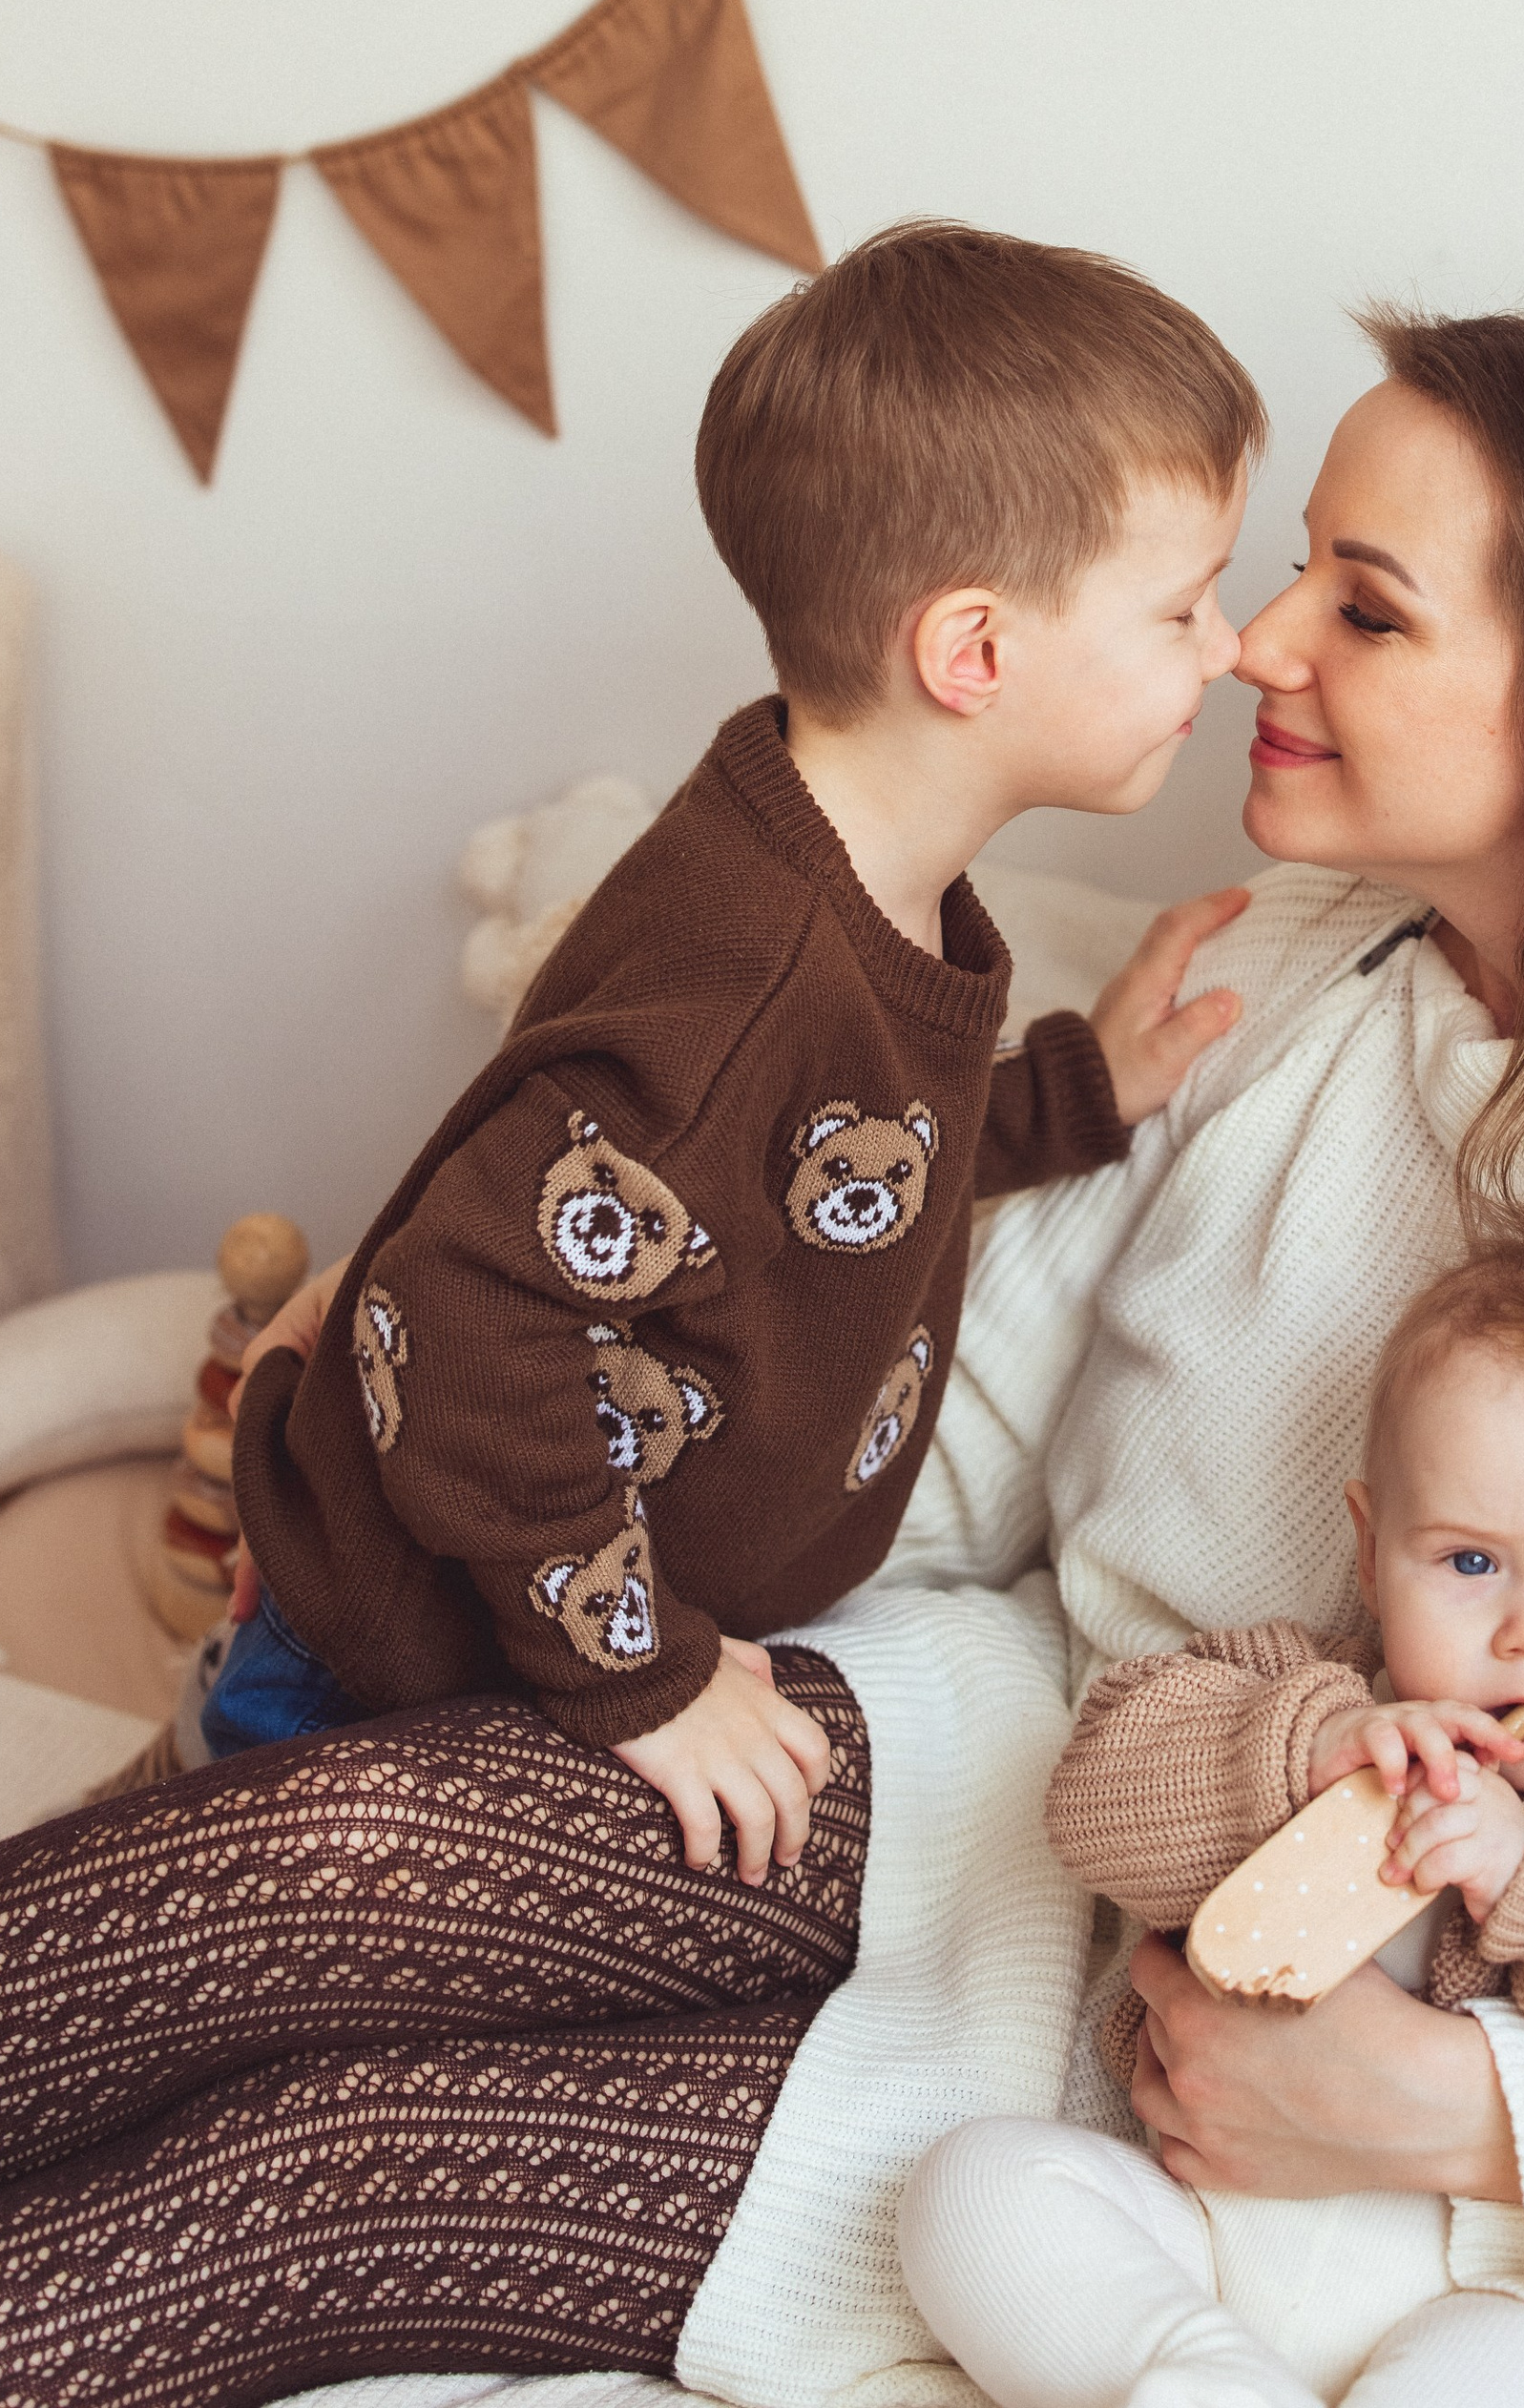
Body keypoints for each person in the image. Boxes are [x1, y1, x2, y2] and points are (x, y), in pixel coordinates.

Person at [0, 306, 1524, 2406]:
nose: (1258, 642)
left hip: (1177, 2069)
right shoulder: (1306, 964)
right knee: (315, 1869)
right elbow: (931, 1448)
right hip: (1008, 1760)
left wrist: (1454, 2112)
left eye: (1362, 607)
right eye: (1285, 575)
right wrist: (462, 1416)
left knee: (320, 2175)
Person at [215, 218, 1263, 1885]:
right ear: (974, 653)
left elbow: (806, 1163)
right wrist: (642, 1675)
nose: (1232, 646)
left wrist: (1075, 1091)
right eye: (1185, 605)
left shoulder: (847, 871)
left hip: (544, 1621)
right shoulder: (752, 970)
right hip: (399, 1654)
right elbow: (465, 1310)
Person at [901, 1233, 1524, 2408]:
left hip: (1496, 2294)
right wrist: (1306, 1755)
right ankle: (1192, 2374)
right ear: (1370, 1550)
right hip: (1205, 2237)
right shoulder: (1307, 1695)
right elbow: (1095, 1794)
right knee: (973, 2192)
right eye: (1470, 1561)